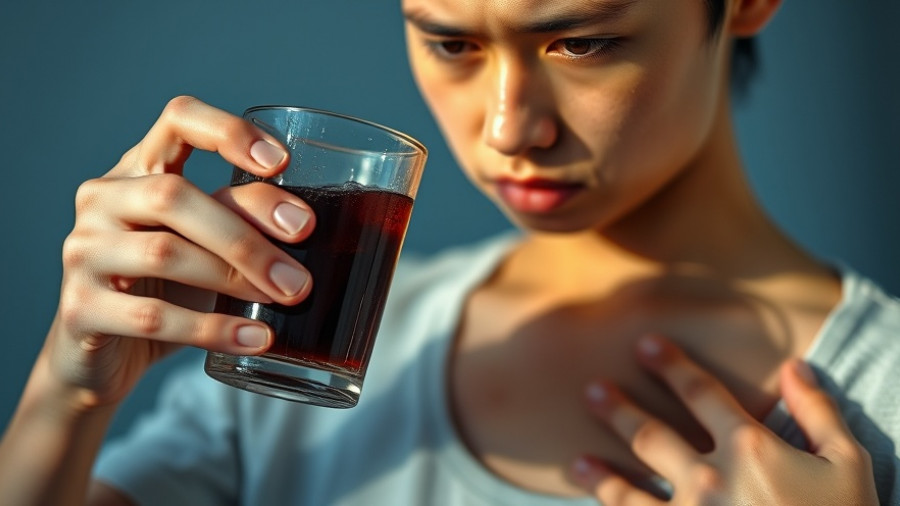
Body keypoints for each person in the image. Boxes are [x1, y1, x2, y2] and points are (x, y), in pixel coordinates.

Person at [0, 0, 896, 504]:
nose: (510, 126)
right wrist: (66, 395)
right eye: (450, 42)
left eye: (583, 41)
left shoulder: (882, 402)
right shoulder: (293, 362)